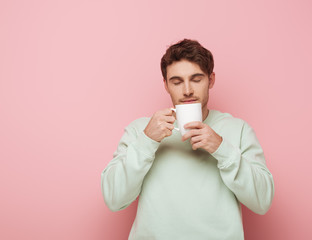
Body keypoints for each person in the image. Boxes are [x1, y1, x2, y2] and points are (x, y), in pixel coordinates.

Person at [101, 39, 275, 240]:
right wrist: (146, 141)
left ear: (211, 80)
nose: (187, 90)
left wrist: (221, 148)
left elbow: (262, 201)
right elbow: (113, 199)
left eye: (196, 79)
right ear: (166, 85)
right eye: (176, 81)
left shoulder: (239, 129)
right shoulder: (140, 130)